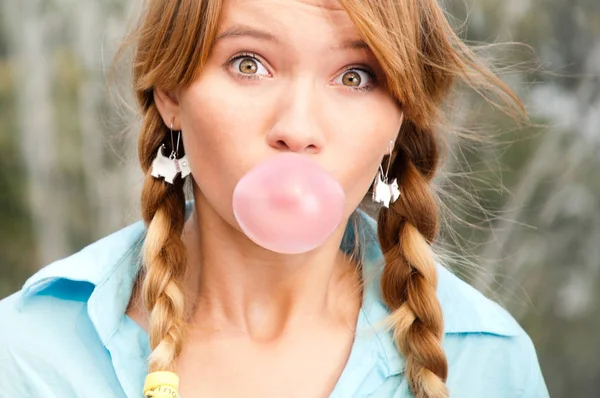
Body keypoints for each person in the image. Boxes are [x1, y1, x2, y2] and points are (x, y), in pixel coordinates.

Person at [0, 0, 550, 396]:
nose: (298, 128)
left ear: (396, 122)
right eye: (248, 64)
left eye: (355, 76)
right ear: (171, 94)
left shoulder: (490, 362)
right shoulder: (25, 354)